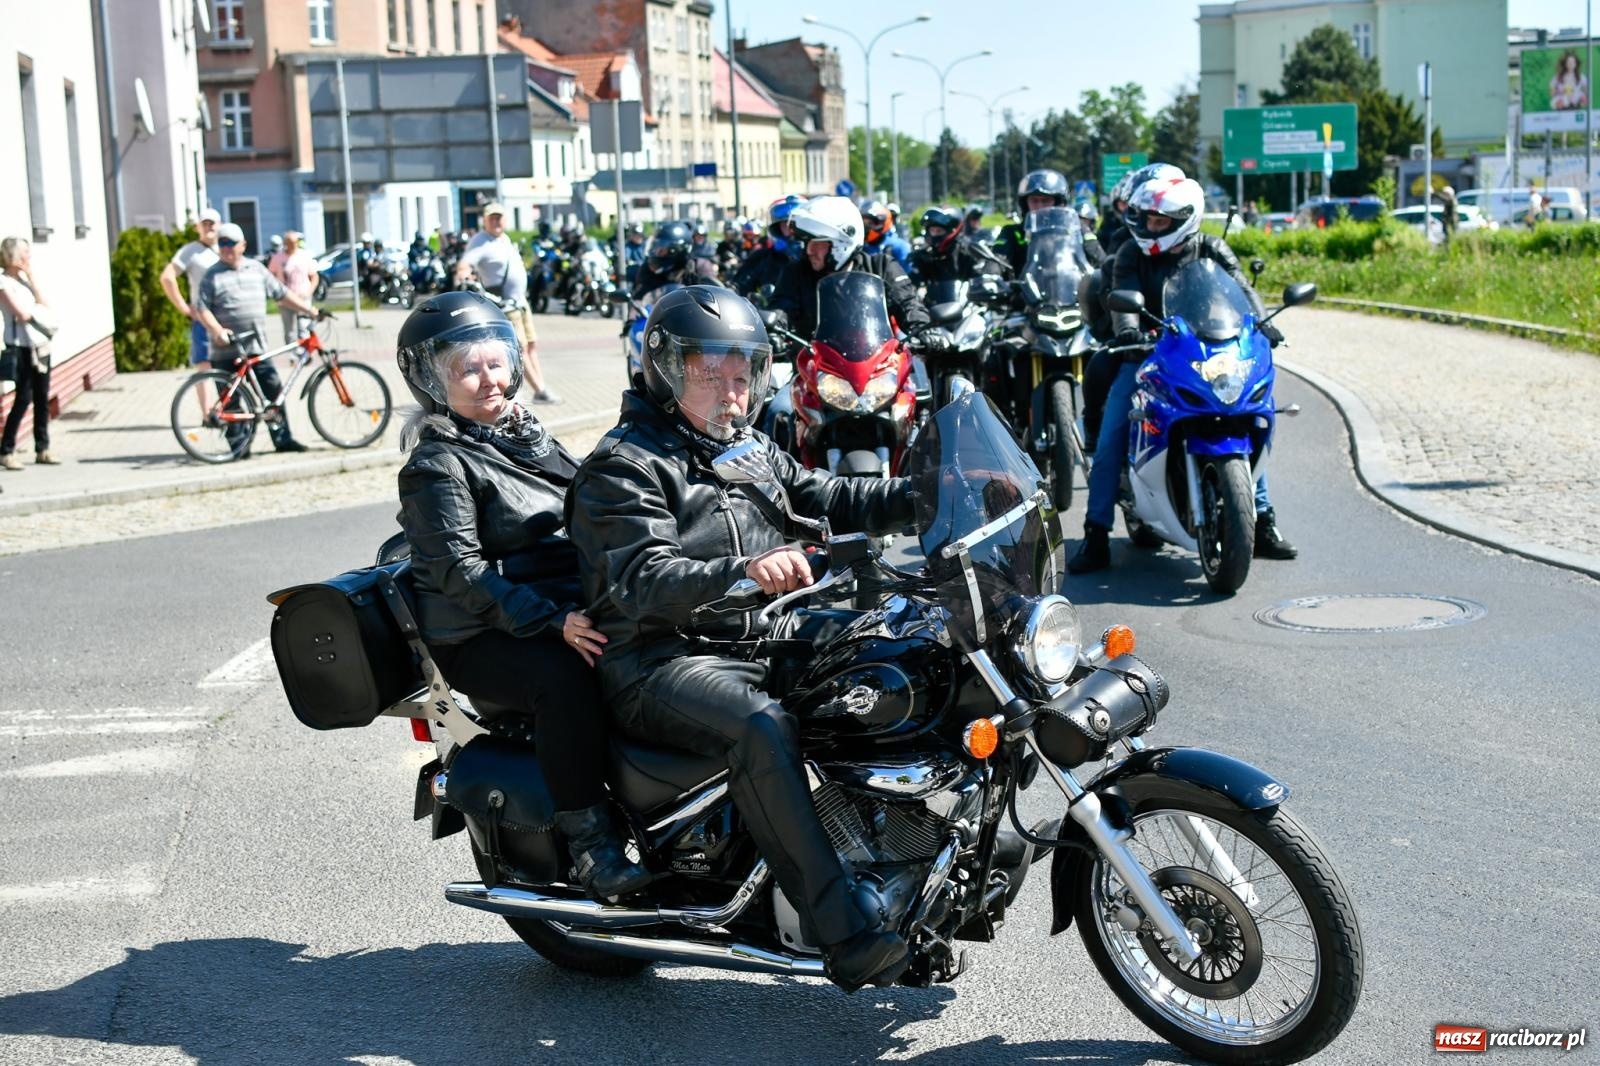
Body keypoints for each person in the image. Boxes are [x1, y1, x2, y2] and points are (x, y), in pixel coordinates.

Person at [567, 285, 918, 992]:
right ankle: (841, 927)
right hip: (660, 657)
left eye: (742, 374)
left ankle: (910, 847)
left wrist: (931, 491)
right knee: (762, 726)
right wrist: (745, 570)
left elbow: (824, 494)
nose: (732, 391)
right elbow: (640, 578)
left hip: (760, 636)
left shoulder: (748, 447)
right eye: (711, 374)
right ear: (666, 371)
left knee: (899, 656)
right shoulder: (625, 465)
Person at [394, 290, 650, 901]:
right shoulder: (435, 465)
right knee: (564, 679)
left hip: (557, 608)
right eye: (466, 369)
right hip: (482, 632)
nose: (488, 380)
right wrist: (553, 621)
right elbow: (460, 572)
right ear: (435, 382)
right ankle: (591, 844)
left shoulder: (526, 436)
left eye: (495, 362)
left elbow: (594, 500)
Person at [1069, 176, 1296, 573]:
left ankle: (1262, 523)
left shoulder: (1211, 247)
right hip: (1147, 356)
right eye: (1147, 219)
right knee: (1112, 437)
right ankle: (1096, 534)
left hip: (1210, 355)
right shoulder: (1128, 253)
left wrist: (1262, 324)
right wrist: (1127, 330)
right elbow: (1121, 297)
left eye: (1160, 221)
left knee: (1247, 418)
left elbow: (1241, 290)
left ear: (1185, 219)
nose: (1150, 228)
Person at [194, 223, 318, 455]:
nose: (227, 248)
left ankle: (283, 440)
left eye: (231, 243)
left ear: (243, 245)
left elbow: (282, 294)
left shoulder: (256, 269)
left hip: (256, 347)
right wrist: (217, 330)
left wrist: (309, 310)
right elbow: (202, 309)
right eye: (222, 243)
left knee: (273, 390)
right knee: (230, 400)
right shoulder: (212, 275)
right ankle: (239, 447)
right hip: (225, 349)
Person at [769, 196, 937, 346]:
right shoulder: (795, 272)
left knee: (916, 378)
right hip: (812, 369)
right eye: (807, 243)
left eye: (817, 243)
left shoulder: (881, 267)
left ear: (842, 243)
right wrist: (774, 330)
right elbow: (782, 307)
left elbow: (908, 302)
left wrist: (923, 329)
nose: (809, 251)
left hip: (877, 368)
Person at [455, 203, 558, 404]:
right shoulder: (480, 241)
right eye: (491, 217)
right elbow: (465, 264)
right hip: (505, 303)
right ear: (484, 220)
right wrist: (464, 276)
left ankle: (541, 386)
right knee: (519, 348)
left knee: (531, 345)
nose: (496, 221)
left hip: (520, 301)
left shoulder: (504, 238)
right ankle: (540, 390)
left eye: (499, 217)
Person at [0, 237, 58, 470]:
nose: (28, 256)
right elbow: (22, 314)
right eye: (24, 252)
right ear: (12, 255)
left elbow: (44, 304)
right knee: (23, 399)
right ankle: (6, 451)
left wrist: (32, 277)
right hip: (20, 347)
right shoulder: (3, 283)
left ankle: (42, 448)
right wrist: (39, 315)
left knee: (42, 399)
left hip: (40, 346)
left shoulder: (24, 281)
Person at [992, 170, 1104, 275]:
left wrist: (1104, 274)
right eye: (1034, 201)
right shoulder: (1012, 232)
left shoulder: (1077, 228)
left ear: (1058, 202)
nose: (1040, 206)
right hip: (1024, 293)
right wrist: (990, 275)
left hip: (1071, 291)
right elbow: (998, 258)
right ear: (1025, 203)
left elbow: (1098, 256)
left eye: (1045, 201)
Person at [160, 208, 222, 373]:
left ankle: (230, 399)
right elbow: (167, 277)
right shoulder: (191, 250)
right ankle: (207, 401)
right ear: (198, 227)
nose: (209, 227)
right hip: (203, 317)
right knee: (204, 366)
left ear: (219, 226)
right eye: (205, 224)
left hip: (227, 315)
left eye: (212, 223)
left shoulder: (227, 248)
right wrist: (184, 308)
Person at [909, 205, 1009, 285]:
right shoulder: (925, 255)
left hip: (964, 307)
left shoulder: (966, 252)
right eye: (932, 231)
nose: (934, 235)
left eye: (939, 231)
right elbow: (913, 283)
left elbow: (979, 279)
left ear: (951, 231)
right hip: (932, 306)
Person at [732, 195, 804, 298]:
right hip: (772, 312)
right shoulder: (763, 258)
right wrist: (733, 290)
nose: (791, 229)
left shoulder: (819, 258)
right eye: (786, 224)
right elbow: (741, 284)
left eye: (797, 224)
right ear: (777, 227)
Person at [630, 220, 714, 298]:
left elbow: (712, 299)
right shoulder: (647, 269)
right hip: (657, 313)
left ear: (676, 250)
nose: (656, 253)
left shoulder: (698, 268)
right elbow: (638, 298)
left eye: (661, 250)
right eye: (655, 248)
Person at [267, 231, 319, 343]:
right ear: (285, 243)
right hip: (286, 300)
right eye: (289, 242)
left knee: (304, 328)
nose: (292, 244)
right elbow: (269, 277)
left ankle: (305, 356)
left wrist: (309, 292)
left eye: (294, 242)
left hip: (303, 298)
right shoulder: (277, 258)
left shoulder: (305, 256)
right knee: (289, 331)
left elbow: (314, 277)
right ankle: (293, 357)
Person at [860, 199, 912, 271]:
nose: (867, 227)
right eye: (864, 223)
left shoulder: (899, 247)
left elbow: (907, 277)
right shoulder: (859, 246)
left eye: (870, 223)